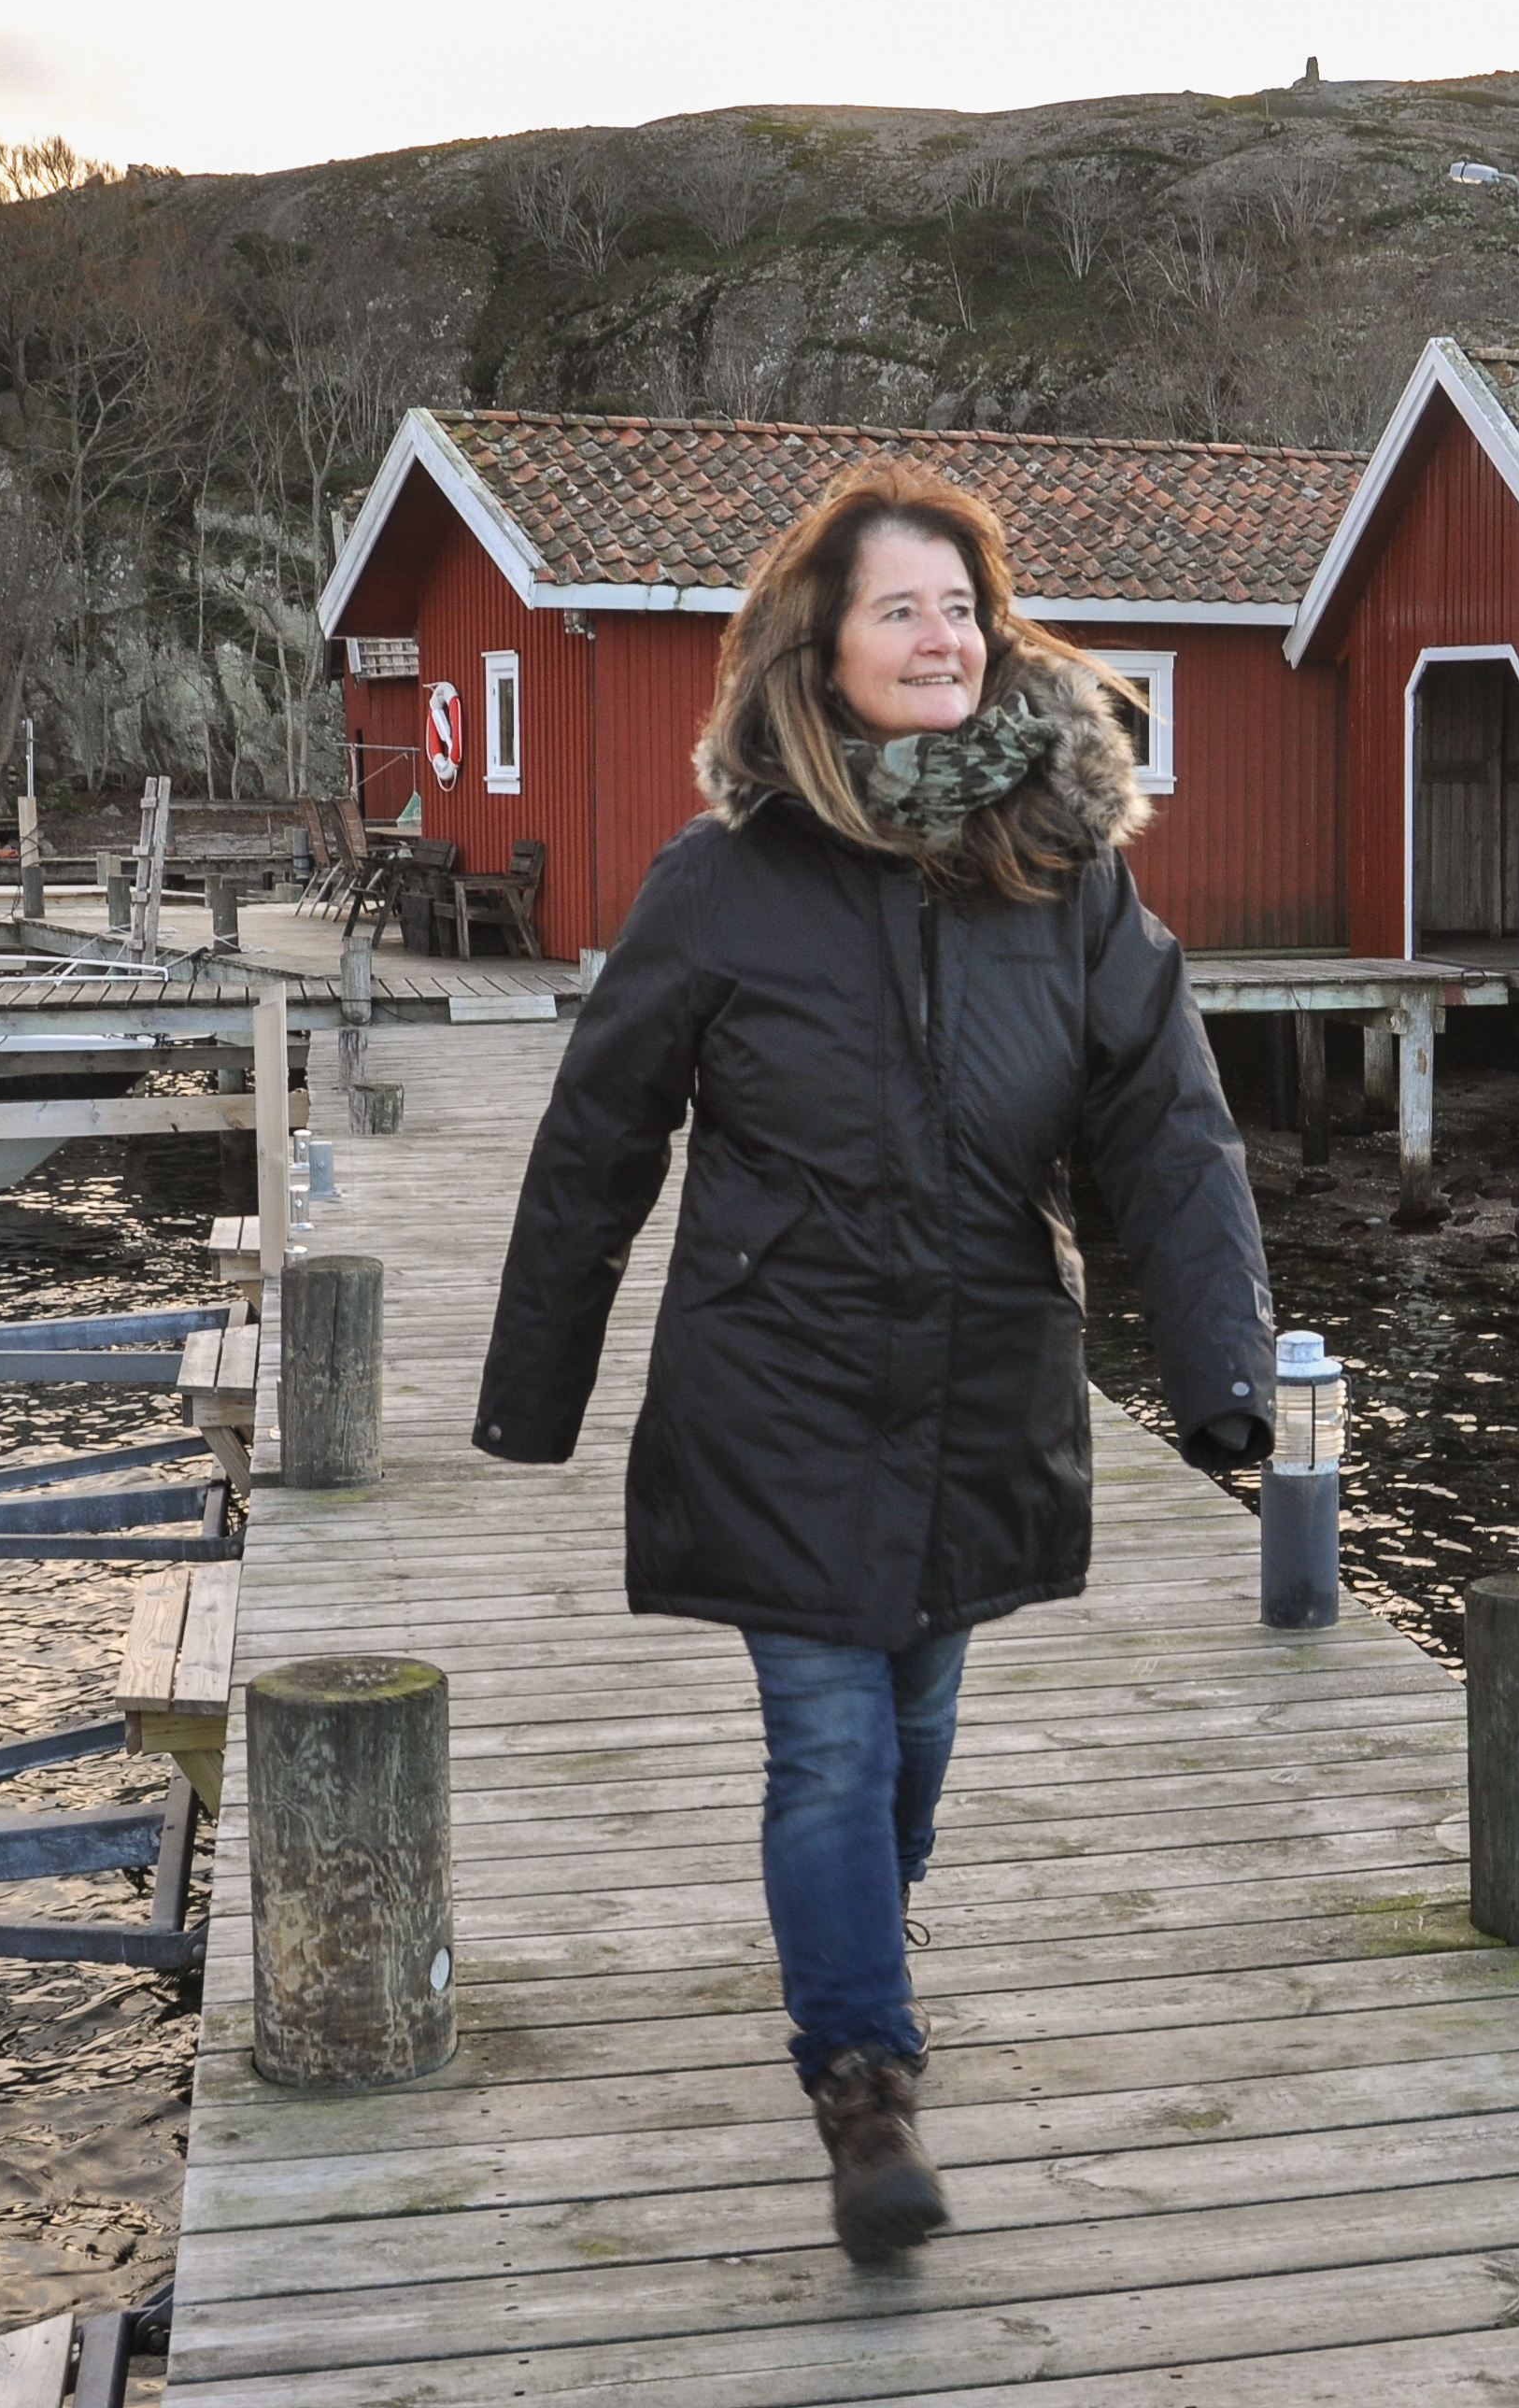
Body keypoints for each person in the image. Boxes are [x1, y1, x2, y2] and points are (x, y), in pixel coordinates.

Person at [471, 459, 1275, 2263]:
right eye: (899, 607)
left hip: (986, 1368)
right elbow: (601, 1131)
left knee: (913, 1741)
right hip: (777, 1372)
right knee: (827, 1744)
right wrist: (539, 1389)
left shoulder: (1061, 878)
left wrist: (1219, 1371)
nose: (942, 635)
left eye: (961, 605)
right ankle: (862, 2078)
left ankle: (858, 1955)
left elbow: (1170, 1130)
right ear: (821, 652)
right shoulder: (725, 882)